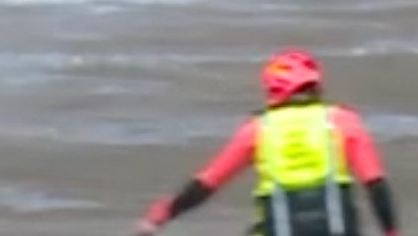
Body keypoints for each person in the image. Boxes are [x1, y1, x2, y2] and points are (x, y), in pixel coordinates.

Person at [133, 49, 400, 236]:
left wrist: (159, 217)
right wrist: (391, 232)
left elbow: (206, 183)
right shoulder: (342, 121)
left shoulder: (258, 130)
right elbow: (376, 186)